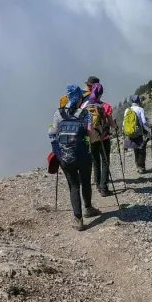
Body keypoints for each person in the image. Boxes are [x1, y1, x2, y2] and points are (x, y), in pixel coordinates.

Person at [52, 84, 101, 231]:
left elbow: (53, 133)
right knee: (85, 182)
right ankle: (88, 208)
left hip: (65, 157)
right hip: (83, 155)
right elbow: (92, 137)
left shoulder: (58, 113)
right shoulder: (85, 114)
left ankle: (78, 220)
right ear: (80, 98)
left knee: (73, 186)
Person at [88, 84, 117, 197]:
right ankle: (104, 188)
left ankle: (97, 185)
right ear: (101, 94)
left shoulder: (86, 106)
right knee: (105, 162)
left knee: (96, 162)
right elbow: (111, 124)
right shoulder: (106, 106)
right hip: (104, 138)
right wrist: (115, 126)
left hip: (93, 138)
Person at [124, 95, 152, 174]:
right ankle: (141, 167)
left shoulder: (127, 110)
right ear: (138, 101)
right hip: (138, 132)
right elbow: (144, 122)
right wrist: (150, 126)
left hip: (129, 132)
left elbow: (124, 123)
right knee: (142, 149)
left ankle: (137, 166)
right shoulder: (140, 109)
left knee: (135, 149)